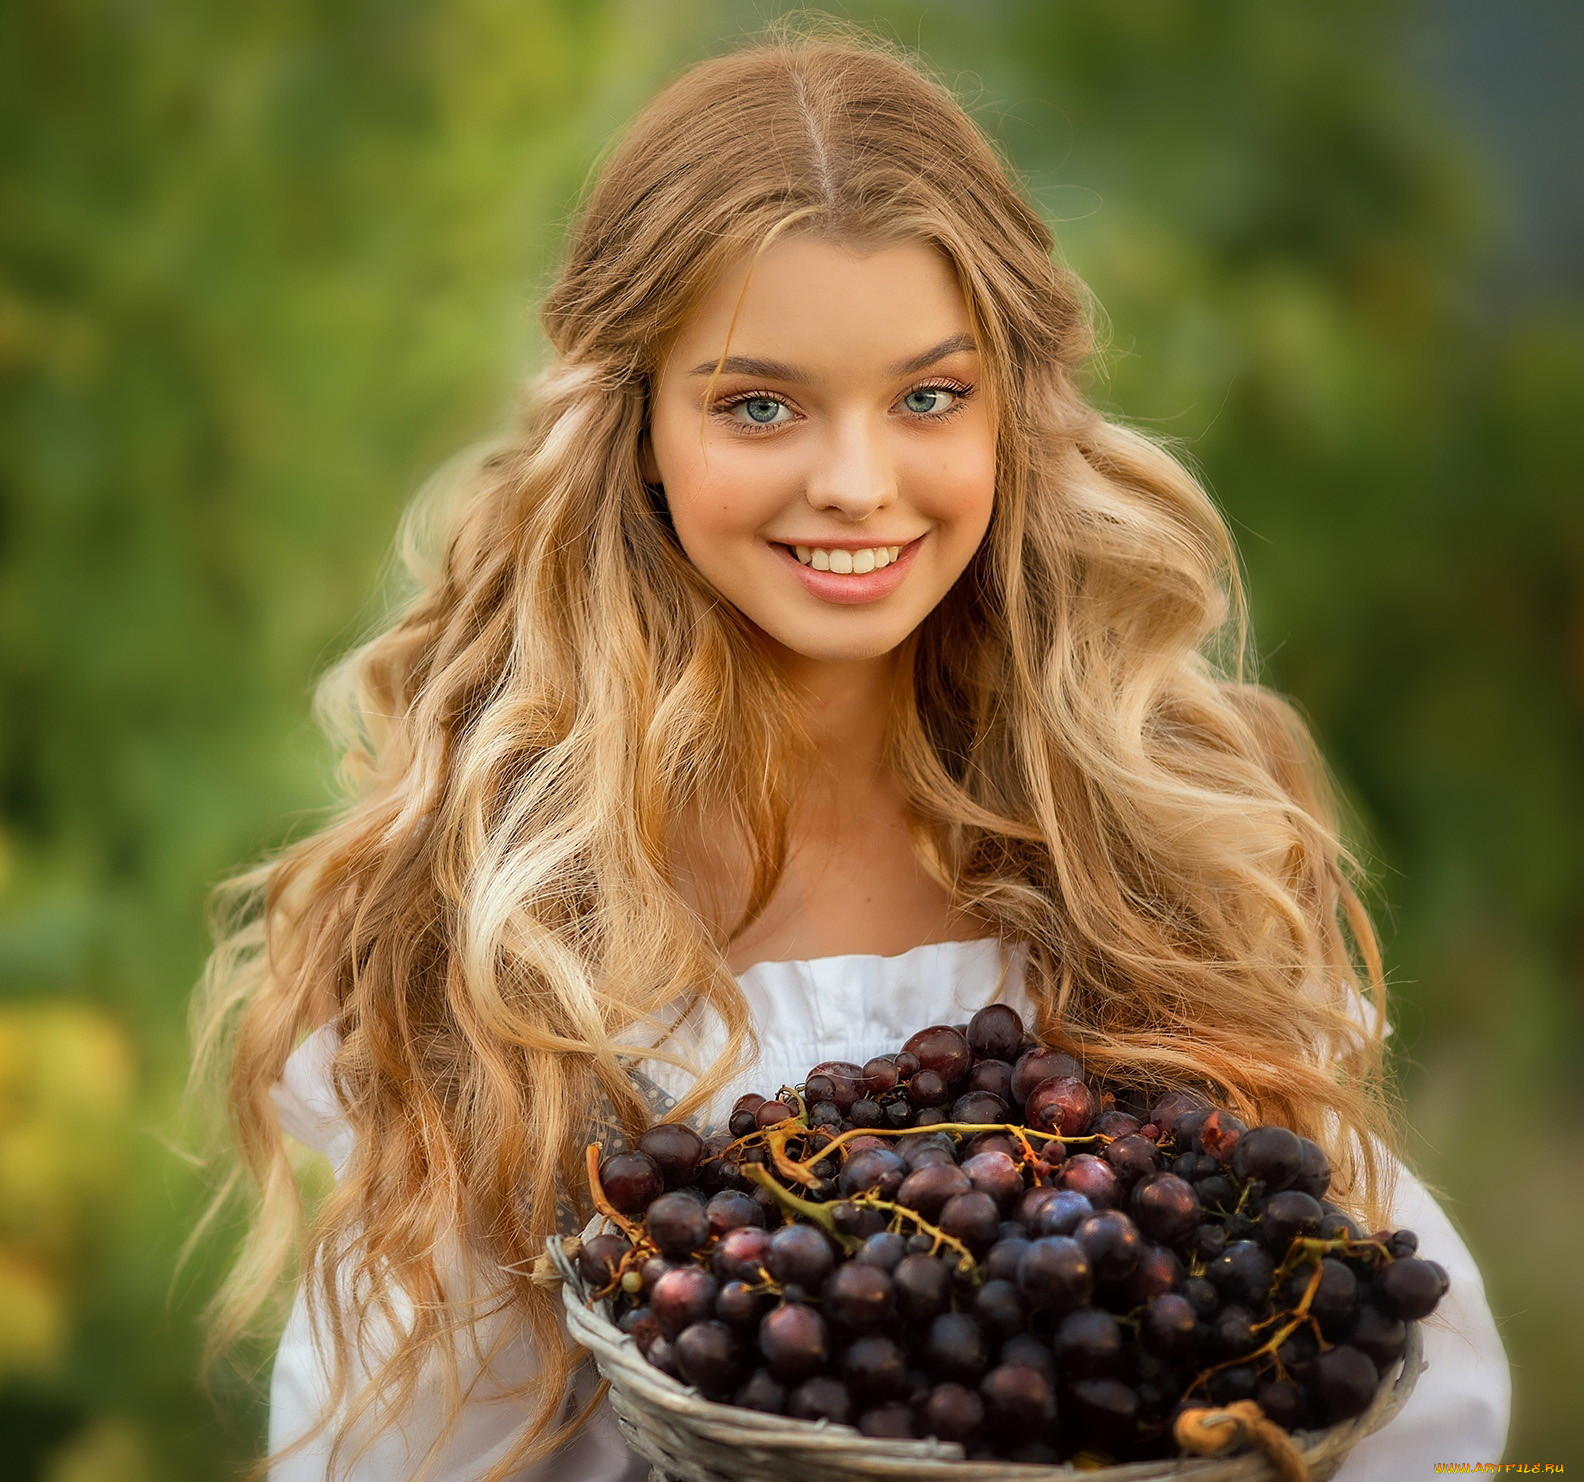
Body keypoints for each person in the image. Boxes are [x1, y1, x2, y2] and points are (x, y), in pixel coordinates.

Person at [190, 31, 1509, 1481]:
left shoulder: (1145, 851)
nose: (859, 484)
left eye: (929, 397)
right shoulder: (516, 928)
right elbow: (396, 1448)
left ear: (1011, 409)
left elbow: (1400, 1394)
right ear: (636, 430)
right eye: (761, 404)